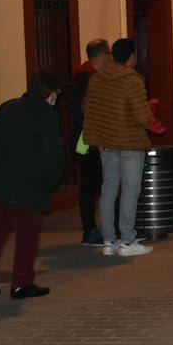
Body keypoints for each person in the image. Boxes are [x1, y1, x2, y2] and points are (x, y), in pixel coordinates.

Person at [0, 69, 64, 300]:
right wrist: (51, 182)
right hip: (27, 186)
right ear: (52, 93)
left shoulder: (7, 106)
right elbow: (53, 154)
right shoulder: (47, 115)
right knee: (27, 236)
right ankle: (22, 283)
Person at [82, 38, 153, 257]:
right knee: (130, 191)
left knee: (108, 190)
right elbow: (143, 117)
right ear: (132, 56)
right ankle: (127, 240)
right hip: (130, 143)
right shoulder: (133, 81)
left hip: (106, 142)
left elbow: (88, 107)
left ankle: (108, 241)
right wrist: (149, 114)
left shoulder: (97, 79)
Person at [70, 38, 110, 246]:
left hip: (86, 140)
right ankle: (91, 231)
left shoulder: (82, 76)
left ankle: (95, 229)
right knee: (91, 187)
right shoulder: (89, 78)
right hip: (88, 141)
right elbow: (88, 106)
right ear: (103, 54)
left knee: (95, 185)